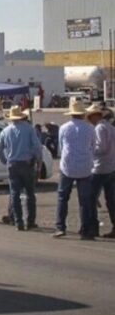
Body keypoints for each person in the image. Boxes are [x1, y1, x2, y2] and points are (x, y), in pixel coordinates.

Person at [0, 107, 43, 231]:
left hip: (13, 164)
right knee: (30, 194)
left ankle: (18, 221)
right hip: (27, 164)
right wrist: (38, 162)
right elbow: (37, 147)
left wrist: (5, 160)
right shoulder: (29, 129)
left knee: (14, 193)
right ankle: (30, 221)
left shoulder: (6, 131)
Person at [54, 101, 96, 239]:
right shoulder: (90, 128)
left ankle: (60, 227)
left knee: (62, 198)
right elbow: (93, 147)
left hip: (68, 166)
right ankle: (86, 230)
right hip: (85, 166)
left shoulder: (64, 128)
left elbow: (61, 146)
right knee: (85, 201)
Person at [88, 104, 115, 238]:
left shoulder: (99, 128)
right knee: (111, 200)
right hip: (111, 166)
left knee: (91, 198)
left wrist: (90, 148)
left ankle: (93, 228)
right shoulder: (110, 127)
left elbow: (101, 148)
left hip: (99, 168)